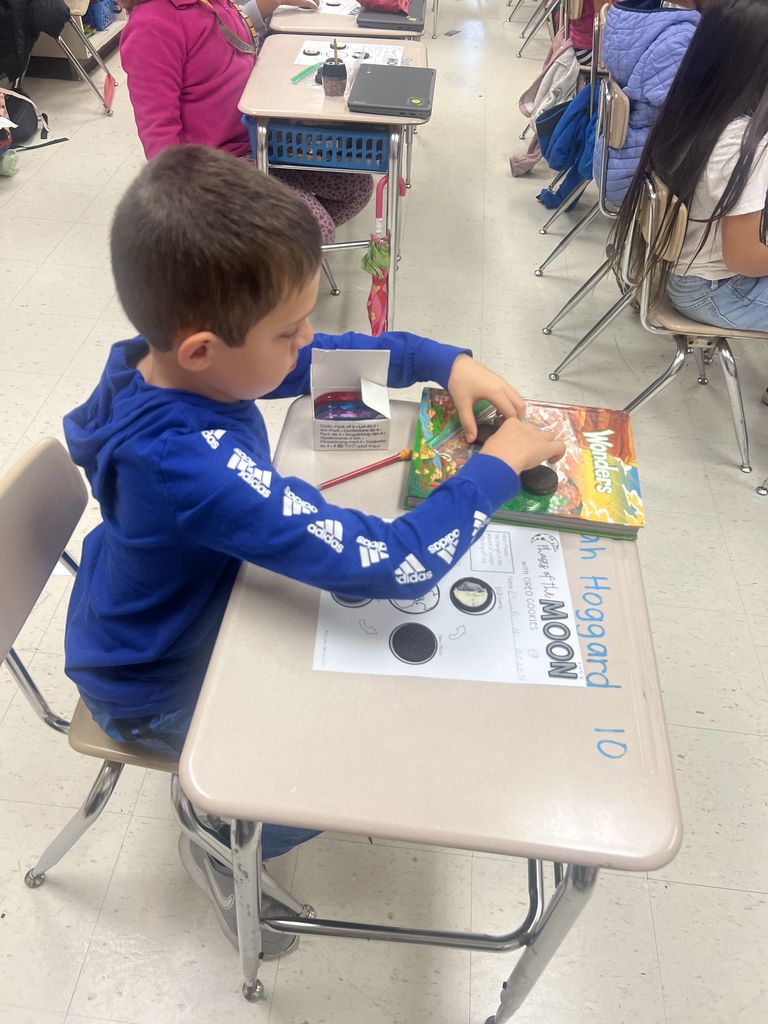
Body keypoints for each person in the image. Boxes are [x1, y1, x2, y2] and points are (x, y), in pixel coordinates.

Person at [62, 145, 565, 955]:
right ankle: (219, 830)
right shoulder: (188, 462)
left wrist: (442, 360)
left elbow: (317, 369)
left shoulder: (153, 364)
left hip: (158, 611)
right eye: (290, 329)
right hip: (153, 681)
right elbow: (395, 563)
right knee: (353, 763)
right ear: (201, 348)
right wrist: (498, 470)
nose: (306, 343)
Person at [611, 0, 768, 405]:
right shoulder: (745, 144)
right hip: (711, 292)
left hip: (673, 270)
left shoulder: (693, 106)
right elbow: (743, 257)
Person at [118, 0, 373, 244]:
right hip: (214, 168)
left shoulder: (210, 3)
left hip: (261, 141)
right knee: (310, 231)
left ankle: (259, 258)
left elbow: (229, 46)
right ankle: (261, 262)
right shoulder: (151, 26)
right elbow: (158, 134)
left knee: (356, 187)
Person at [595, 0, 705, 206]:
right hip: (638, 171)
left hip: (615, 153)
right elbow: (676, 119)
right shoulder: (680, 38)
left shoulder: (630, 18)